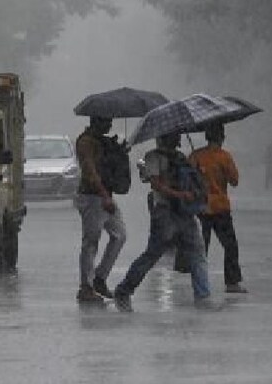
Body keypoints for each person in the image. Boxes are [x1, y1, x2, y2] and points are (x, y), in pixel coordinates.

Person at [113, 132, 212, 312]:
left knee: (197, 253)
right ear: (163, 138)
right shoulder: (153, 157)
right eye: (173, 136)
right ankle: (123, 290)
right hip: (164, 212)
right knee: (153, 254)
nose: (177, 138)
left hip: (185, 212)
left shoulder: (181, 157)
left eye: (177, 136)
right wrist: (180, 194)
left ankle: (203, 297)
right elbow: (156, 184)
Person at [74, 116, 127, 304]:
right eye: (106, 121)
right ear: (96, 121)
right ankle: (86, 287)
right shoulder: (86, 142)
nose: (110, 125)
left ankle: (99, 278)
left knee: (120, 235)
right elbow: (90, 171)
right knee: (91, 242)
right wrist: (104, 195)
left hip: (104, 196)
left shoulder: (102, 141)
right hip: (92, 197)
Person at [189, 123, 247, 294]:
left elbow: (187, 179)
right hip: (221, 208)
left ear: (207, 137)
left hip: (201, 208)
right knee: (230, 245)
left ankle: (199, 283)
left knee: (201, 248)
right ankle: (232, 283)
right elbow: (234, 181)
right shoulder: (224, 157)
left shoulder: (195, 156)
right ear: (222, 137)